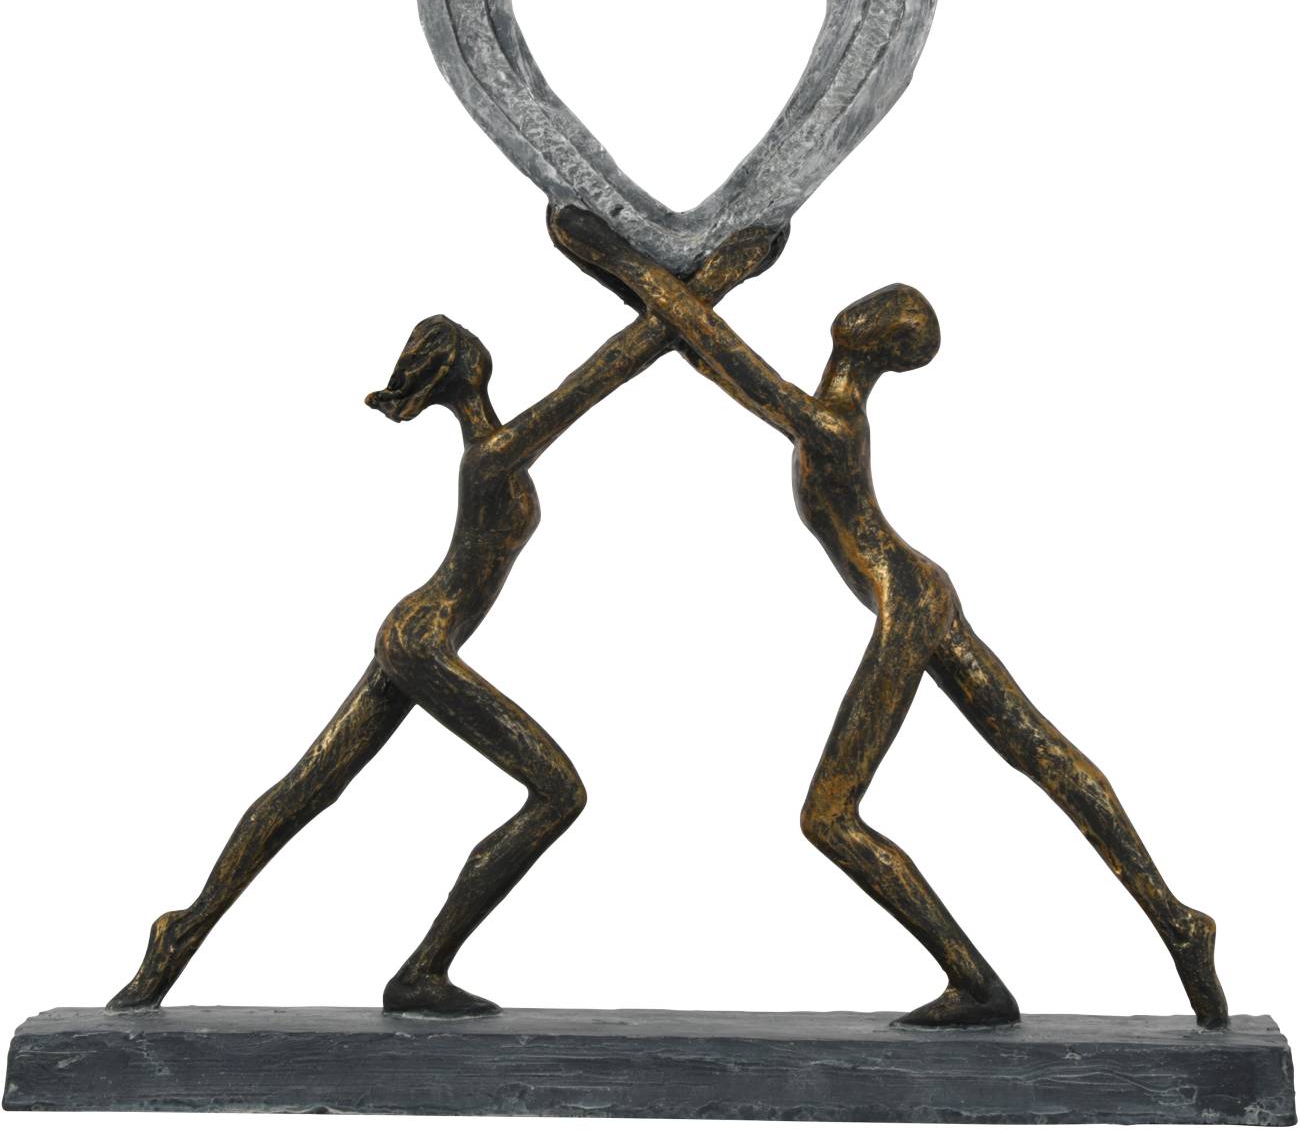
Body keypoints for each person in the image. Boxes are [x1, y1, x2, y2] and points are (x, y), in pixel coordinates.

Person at [552, 205, 1228, 1029]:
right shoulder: (823, 407)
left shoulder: (831, 424)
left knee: (835, 815)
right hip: (916, 590)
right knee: (1037, 750)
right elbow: (699, 349)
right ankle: (1175, 921)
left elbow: (716, 346)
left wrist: (635, 259)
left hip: (906, 601)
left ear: (882, 345)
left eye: (884, 311)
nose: (865, 306)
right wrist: (627, 270)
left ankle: (985, 980)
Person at [107, 218, 785, 1017]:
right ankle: (419, 968)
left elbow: (617, 360)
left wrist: (639, 272)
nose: (471, 343)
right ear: (461, 368)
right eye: (459, 342)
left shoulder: (493, 445)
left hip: (416, 634)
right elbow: (602, 374)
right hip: (423, 640)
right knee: (555, 793)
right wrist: (710, 280)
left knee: (310, 786)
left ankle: (182, 933)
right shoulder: (493, 455)